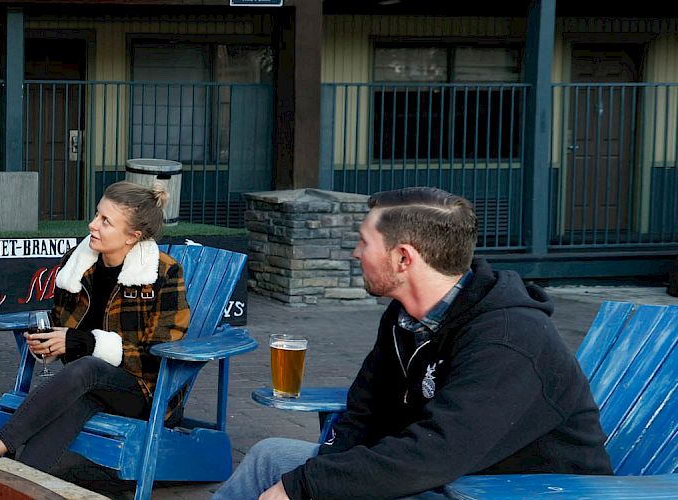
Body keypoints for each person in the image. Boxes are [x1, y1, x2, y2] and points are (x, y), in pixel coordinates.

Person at [212, 187, 613, 500]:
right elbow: (363, 411)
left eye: (364, 242)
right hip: (439, 478)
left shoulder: (509, 339)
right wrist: (322, 479)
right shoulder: (406, 317)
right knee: (272, 457)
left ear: (403, 258)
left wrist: (313, 486)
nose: (355, 254)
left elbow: (439, 451)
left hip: (507, 489)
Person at [0, 181, 192, 472]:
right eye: (96, 215)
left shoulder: (162, 274)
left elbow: (157, 355)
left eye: (106, 221)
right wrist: (49, 344)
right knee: (79, 401)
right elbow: (64, 327)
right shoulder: (79, 266)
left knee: (88, 367)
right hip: (87, 386)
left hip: (144, 393)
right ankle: (19, 480)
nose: (92, 225)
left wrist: (84, 343)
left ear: (132, 236)